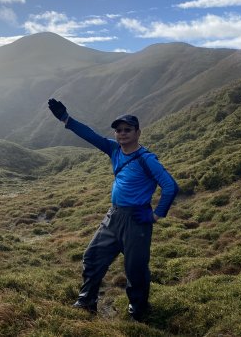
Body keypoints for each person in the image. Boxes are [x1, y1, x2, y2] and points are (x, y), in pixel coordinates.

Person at [48, 98, 179, 321]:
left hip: (137, 219)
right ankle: (87, 301)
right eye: (118, 130)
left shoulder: (147, 159)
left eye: (127, 130)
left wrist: (156, 215)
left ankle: (138, 311)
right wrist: (66, 119)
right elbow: (90, 135)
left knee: (135, 268)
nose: (122, 133)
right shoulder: (114, 150)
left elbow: (170, 186)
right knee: (92, 257)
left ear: (138, 132)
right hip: (114, 215)